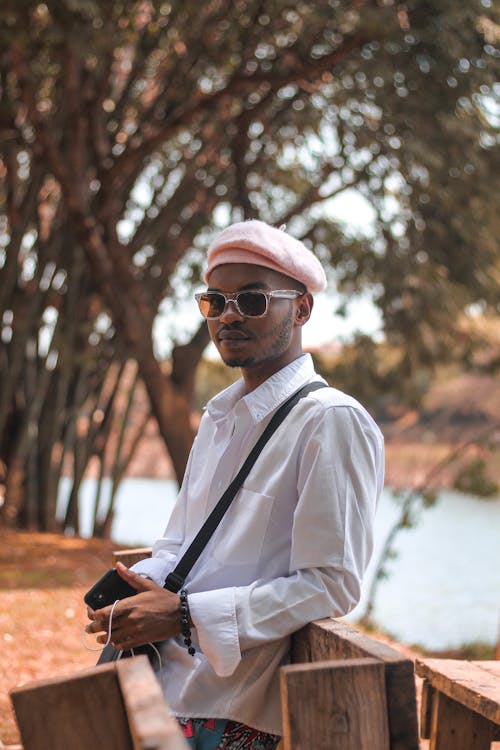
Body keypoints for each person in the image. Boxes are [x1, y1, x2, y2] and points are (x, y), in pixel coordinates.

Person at [86, 219, 384, 749]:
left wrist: (181, 615)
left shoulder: (330, 421)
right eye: (215, 301)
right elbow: (178, 545)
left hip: (230, 709)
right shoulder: (220, 417)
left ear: (301, 308)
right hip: (159, 685)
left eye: (252, 300)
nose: (228, 315)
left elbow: (333, 583)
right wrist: (135, 594)